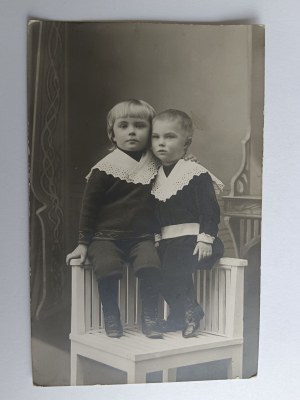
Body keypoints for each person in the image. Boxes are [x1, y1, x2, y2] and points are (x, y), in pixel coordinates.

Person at [66, 99, 163, 339]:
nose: (131, 131)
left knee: (151, 265)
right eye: (124, 126)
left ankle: (150, 317)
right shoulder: (105, 168)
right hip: (105, 236)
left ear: (151, 132)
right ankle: (111, 315)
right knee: (108, 268)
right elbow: (89, 209)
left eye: (140, 125)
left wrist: (185, 162)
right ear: (112, 134)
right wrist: (83, 242)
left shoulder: (157, 164)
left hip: (142, 236)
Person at [151, 109, 224, 338]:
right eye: (156, 137)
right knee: (157, 275)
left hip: (196, 240)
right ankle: (177, 317)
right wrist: (156, 238)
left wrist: (205, 238)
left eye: (169, 137)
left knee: (176, 268)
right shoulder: (154, 176)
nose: (161, 143)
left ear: (187, 142)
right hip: (168, 242)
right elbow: (154, 213)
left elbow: (209, 209)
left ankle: (191, 311)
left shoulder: (195, 172)